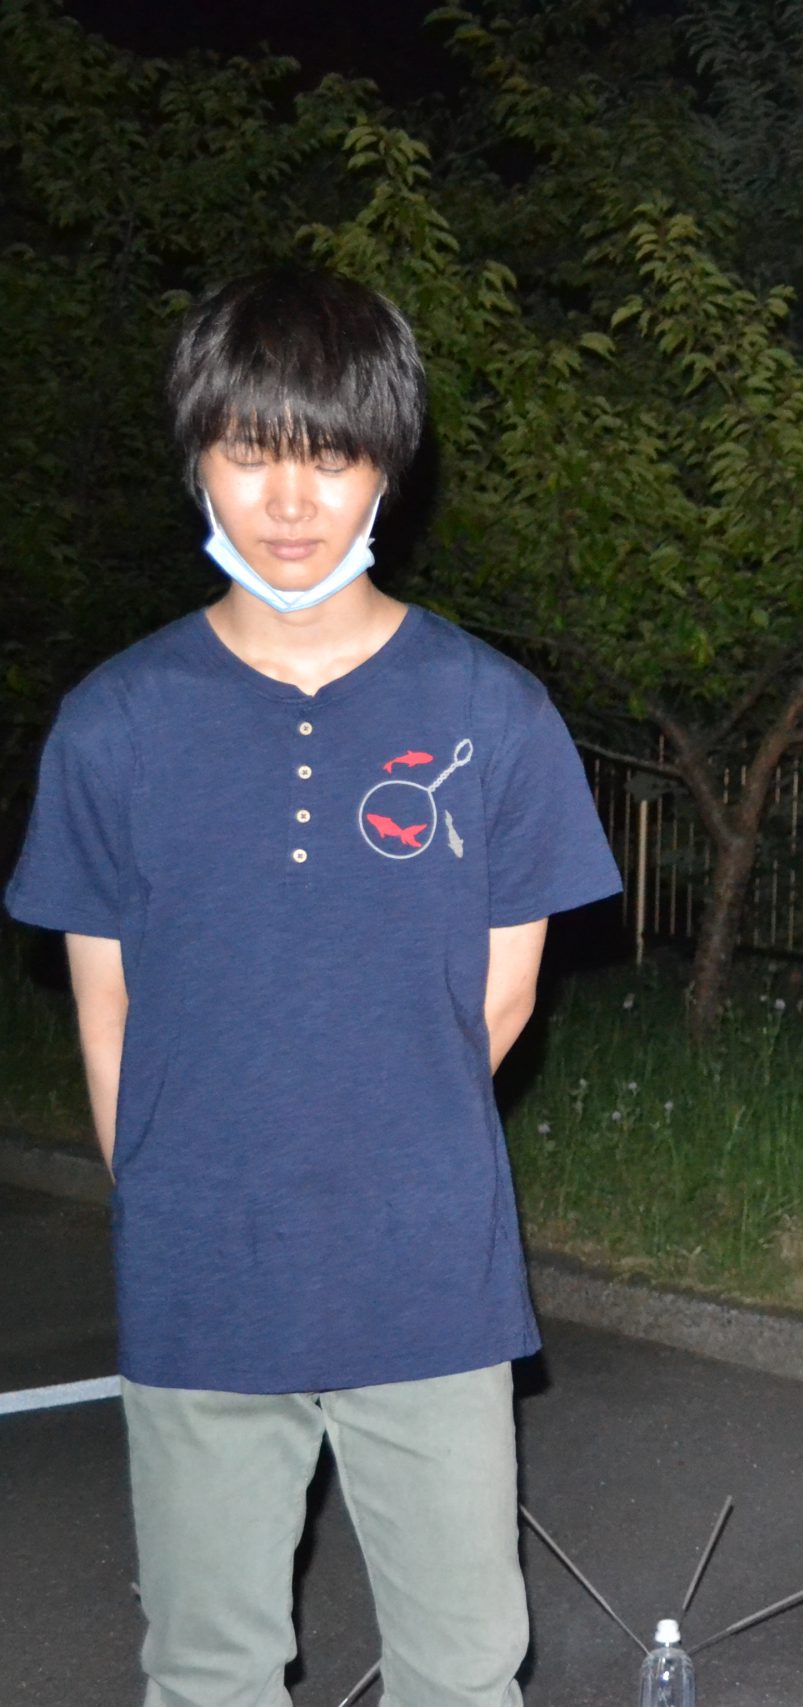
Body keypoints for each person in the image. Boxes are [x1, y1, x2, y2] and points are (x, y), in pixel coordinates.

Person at [4, 267, 622, 1707]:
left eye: (330, 455)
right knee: (210, 1667)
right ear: (197, 462)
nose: (291, 500)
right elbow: (108, 1011)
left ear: (386, 473)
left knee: (466, 1666)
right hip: (201, 1274)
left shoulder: (492, 712)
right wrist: (175, 1197)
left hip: (429, 1272)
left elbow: (502, 1000)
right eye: (251, 450)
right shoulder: (113, 723)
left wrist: (372, 1157)